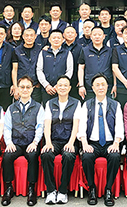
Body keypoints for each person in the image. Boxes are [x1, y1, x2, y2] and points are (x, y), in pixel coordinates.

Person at [78, 74, 123, 207]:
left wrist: (116, 143)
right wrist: (84, 143)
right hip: (93, 143)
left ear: (107, 87)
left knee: (115, 156)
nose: (100, 87)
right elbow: (82, 126)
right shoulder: (87, 105)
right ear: (92, 88)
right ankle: (92, 189)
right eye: (97, 85)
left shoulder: (115, 105)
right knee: (87, 156)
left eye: (103, 84)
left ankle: (108, 190)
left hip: (110, 143)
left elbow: (119, 126)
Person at [1, 76, 45, 207]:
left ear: (32, 89)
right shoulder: (11, 108)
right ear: (18, 89)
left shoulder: (38, 107)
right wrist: (9, 142)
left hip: (31, 143)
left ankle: (32, 189)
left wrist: (35, 142)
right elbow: (7, 127)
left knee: (33, 155)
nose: (25, 90)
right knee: (7, 156)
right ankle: (9, 188)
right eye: (22, 87)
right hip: (16, 143)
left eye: (28, 87)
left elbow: (40, 127)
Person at [41, 76, 81, 205]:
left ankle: (63, 191)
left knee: (68, 155)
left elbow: (76, 125)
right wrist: (48, 142)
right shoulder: (49, 103)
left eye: (65, 85)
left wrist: (71, 142)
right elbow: (47, 125)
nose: (62, 88)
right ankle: (51, 191)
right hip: (54, 140)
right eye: (60, 85)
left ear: (69, 88)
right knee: (46, 154)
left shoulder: (76, 103)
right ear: (56, 87)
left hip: (69, 139)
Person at [36, 29, 74, 103]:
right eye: (54, 38)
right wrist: (46, 85)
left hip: (62, 89)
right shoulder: (43, 52)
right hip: (46, 89)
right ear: (49, 40)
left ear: (63, 40)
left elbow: (69, 71)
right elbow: (39, 70)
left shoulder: (67, 53)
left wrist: (59, 85)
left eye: (58, 38)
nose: (56, 40)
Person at [78, 26, 114, 101]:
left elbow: (114, 69)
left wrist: (115, 85)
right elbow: (81, 68)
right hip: (89, 87)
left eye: (99, 35)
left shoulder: (110, 51)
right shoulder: (85, 50)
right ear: (91, 36)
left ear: (103, 36)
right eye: (94, 35)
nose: (97, 37)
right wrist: (81, 85)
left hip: (106, 87)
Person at [12, 28, 42, 102]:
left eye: (31, 35)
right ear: (23, 36)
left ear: (35, 36)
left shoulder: (40, 49)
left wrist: (39, 83)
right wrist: (15, 87)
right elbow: (14, 69)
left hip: (35, 86)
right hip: (21, 87)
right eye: (27, 35)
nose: (29, 38)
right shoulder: (17, 50)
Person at [63, 26, 82, 100]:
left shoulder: (81, 48)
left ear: (76, 35)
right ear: (64, 35)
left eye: (72, 33)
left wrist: (81, 80)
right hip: (62, 81)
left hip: (76, 81)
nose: (70, 34)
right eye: (68, 33)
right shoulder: (60, 47)